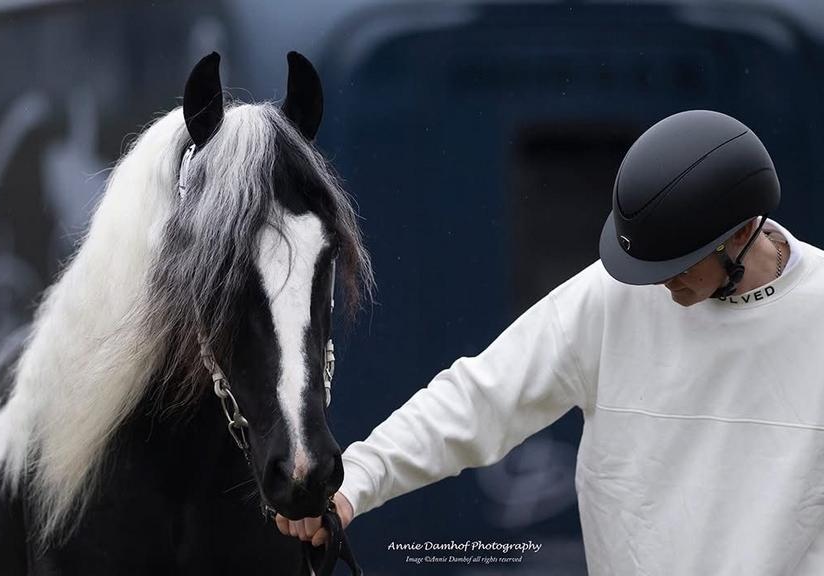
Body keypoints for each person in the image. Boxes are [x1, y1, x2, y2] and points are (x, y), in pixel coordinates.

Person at [276, 110, 824, 574]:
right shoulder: (610, 300)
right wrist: (355, 482)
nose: (657, 281)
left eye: (675, 263)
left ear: (739, 231)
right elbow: (479, 398)